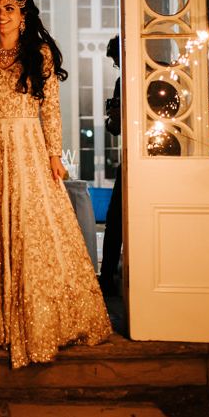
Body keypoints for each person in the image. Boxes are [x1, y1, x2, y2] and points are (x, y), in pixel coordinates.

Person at [0, 0, 112, 368]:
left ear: (24, 15)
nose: (0, 14)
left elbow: (50, 110)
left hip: (27, 147)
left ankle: (41, 318)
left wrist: (55, 154)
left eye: (9, 7)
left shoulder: (38, 54)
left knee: (32, 228)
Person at [99, 35, 122, 296]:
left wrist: (112, 119)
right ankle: (109, 277)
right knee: (115, 221)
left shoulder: (123, 82)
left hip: (136, 160)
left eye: (116, 61)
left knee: (116, 222)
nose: (117, 65)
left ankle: (108, 279)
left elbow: (115, 128)